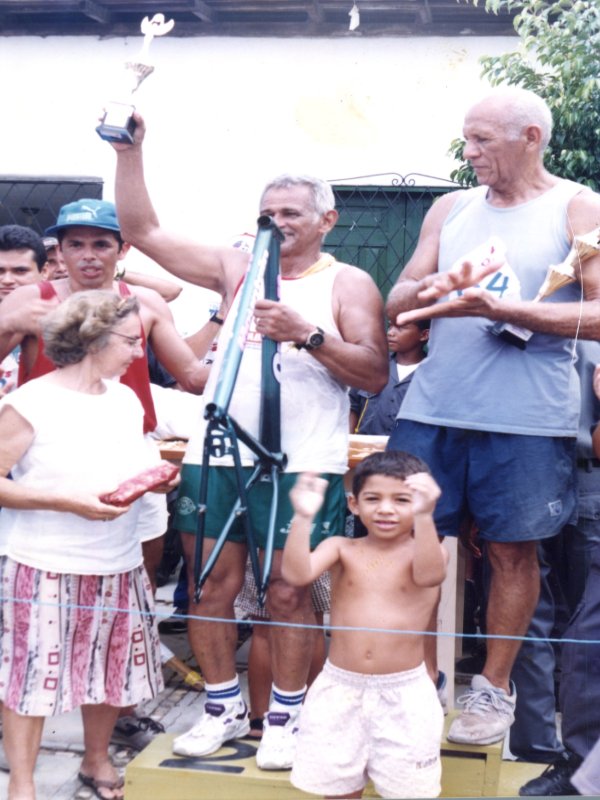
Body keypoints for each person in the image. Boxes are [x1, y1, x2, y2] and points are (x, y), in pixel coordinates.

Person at [108, 112, 388, 769]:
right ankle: (222, 707)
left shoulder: (346, 283)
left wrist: (308, 334)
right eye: (268, 211)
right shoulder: (236, 269)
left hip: (304, 460)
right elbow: (142, 231)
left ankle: (287, 718)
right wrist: (130, 153)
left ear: (327, 219)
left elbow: (374, 371)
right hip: (220, 451)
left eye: (292, 212)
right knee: (208, 587)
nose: (278, 222)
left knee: (289, 592)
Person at [385, 86, 600, 747]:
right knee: (404, 545)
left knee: (512, 552)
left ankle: (493, 692)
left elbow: (595, 315)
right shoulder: (451, 208)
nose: (469, 152)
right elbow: (398, 297)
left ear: (531, 137)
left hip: (530, 417)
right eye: (468, 138)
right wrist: (443, 290)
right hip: (434, 406)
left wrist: (505, 310)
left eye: (483, 140)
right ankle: (419, 688)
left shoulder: (578, 207)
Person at [0, 198, 214, 750]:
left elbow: (190, 374)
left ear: (124, 250)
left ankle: (112, 717)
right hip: (43, 452)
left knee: (127, 595)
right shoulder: (32, 298)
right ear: (59, 251)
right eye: (76, 243)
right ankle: (26, 723)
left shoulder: (139, 303)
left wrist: (226, 315)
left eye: (102, 243)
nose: (89, 256)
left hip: (128, 452)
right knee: (40, 603)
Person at [0, 290, 177, 800]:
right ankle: (23, 783)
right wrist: (64, 501)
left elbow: (130, 461)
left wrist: (154, 479)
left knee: (109, 667)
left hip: (117, 562)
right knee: (29, 678)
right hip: (44, 562)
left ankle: (95, 759)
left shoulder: (123, 398)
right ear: (93, 339)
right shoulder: (31, 402)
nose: (137, 353)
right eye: (129, 341)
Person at [282, 452, 447, 799]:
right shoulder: (341, 548)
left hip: (405, 694)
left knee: (409, 791)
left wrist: (426, 517)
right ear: (354, 505)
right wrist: (302, 516)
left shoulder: (427, 552)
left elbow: (431, 574)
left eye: (402, 500)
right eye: (373, 499)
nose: (386, 509)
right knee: (338, 791)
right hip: (339, 687)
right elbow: (296, 574)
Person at [518, 358, 600, 795]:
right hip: (522, 467)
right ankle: (540, 747)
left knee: (587, 626)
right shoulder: (519, 302)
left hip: (592, 473)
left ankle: (586, 757)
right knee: (526, 612)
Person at [349, 317, 429, 435]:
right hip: (366, 449)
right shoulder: (373, 365)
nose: (390, 333)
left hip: (410, 451)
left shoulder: (432, 374)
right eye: (390, 326)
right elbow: (353, 407)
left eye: (401, 328)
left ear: (424, 335)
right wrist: (349, 442)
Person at [0, 226, 49, 396]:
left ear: (44, 272)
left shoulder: (55, 313)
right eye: (0, 271)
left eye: (20, 271)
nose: (7, 280)